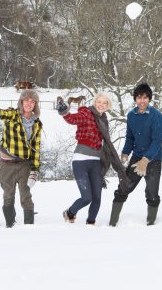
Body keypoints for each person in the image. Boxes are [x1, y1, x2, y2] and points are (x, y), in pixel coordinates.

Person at [58, 92, 129, 225]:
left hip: (96, 162)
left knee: (97, 198)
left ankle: (91, 224)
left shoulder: (103, 120)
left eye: (105, 103)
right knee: (86, 198)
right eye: (99, 102)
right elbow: (74, 119)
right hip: (80, 161)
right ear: (94, 102)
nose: (101, 105)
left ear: (108, 106)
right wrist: (65, 113)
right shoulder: (86, 113)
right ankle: (70, 213)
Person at [0, 90, 42, 227]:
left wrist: (35, 170)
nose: (29, 103)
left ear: (35, 105)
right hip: (7, 164)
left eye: (32, 101)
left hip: (24, 164)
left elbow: (36, 148)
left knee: (25, 195)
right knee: (8, 195)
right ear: (21, 102)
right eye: (26, 100)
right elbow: (1, 113)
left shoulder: (37, 123)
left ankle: (29, 226)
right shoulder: (12, 115)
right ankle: (10, 225)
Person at [109, 82, 162, 226]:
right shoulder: (131, 115)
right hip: (136, 158)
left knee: (152, 193)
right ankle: (113, 222)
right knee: (124, 187)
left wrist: (146, 160)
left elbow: (157, 141)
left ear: (149, 99)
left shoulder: (156, 116)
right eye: (139, 97)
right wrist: (125, 152)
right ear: (135, 99)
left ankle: (151, 223)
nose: (142, 100)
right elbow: (130, 137)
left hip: (153, 160)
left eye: (145, 97)